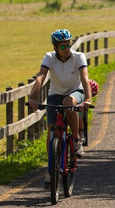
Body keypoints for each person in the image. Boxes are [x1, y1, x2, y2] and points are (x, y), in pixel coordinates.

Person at [28, 28, 93, 156]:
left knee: (68, 102)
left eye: (68, 44)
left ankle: (76, 140)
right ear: (55, 47)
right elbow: (41, 77)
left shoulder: (79, 56)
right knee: (52, 129)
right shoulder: (49, 57)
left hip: (75, 92)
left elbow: (85, 79)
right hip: (55, 94)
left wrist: (88, 99)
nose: (67, 48)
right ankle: (52, 168)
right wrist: (33, 98)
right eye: (63, 46)